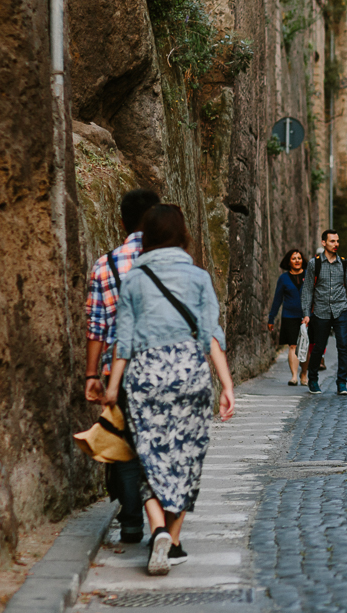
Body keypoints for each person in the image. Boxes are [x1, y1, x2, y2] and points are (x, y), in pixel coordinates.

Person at [103, 204, 235, 576]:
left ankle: (158, 528)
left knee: (149, 456)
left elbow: (123, 341)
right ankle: (173, 541)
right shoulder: (198, 278)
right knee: (185, 458)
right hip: (189, 375)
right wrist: (226, 386)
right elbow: (211, 335)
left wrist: (113, 387)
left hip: (145, 376)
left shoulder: (133, 279)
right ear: (181, 234)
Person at [84, 188, 161, 545]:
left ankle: (131, 523)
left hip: (121, 370)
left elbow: (96, 328)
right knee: (161, 443)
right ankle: (165, 522)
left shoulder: (106, 265)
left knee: (126, 446)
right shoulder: (168, 262)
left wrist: (91, 374)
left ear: (121, 222)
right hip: (164, 365)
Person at [301, 229, 347, 395]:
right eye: (332, 241)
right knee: (319, 347)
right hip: (321, 311)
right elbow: (307, 290)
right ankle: (312, 378)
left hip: (341, 310)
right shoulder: (315, 264)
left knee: (343, 346)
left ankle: (342, 383)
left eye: (337, 241)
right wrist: (307, 313)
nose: (336, 244)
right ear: (324, 243)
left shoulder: (344, 263)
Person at [267, 249, 307, 386]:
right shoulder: (283, 279)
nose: (297, 260)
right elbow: (277, 299)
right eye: (294, 258)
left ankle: (304, 374)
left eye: (299, 258)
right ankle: (294, 376)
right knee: (293, 346)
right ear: (289, 262)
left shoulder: (308, 276)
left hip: (307, 316)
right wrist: (271, 318)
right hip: (289, 315)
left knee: (306, 346)